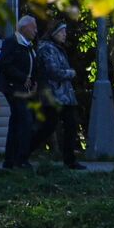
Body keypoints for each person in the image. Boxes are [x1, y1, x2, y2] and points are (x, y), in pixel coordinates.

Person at [31, 21, 85, 169]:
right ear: (54, 34)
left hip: (62, 96)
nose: (64, 35)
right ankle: (24, 152)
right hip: (54, 96)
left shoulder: (55, 48)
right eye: (62, 32)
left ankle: (69, 160)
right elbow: (53, 71)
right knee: (50, 127)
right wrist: (70, 73)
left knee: (66, 126)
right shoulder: (47, 49)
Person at [0, 15, 37, 169]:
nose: (36, 30)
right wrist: (22, 77)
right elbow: (3, 63)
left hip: (23, 88)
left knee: (17, 121)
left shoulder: (28, 45)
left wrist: (33, 80)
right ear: (24, 27)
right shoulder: (12, 42)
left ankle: (10, 160)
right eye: (33, 27)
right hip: (12, 87)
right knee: (25, 120)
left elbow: (31, 65)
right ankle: (21, 159)